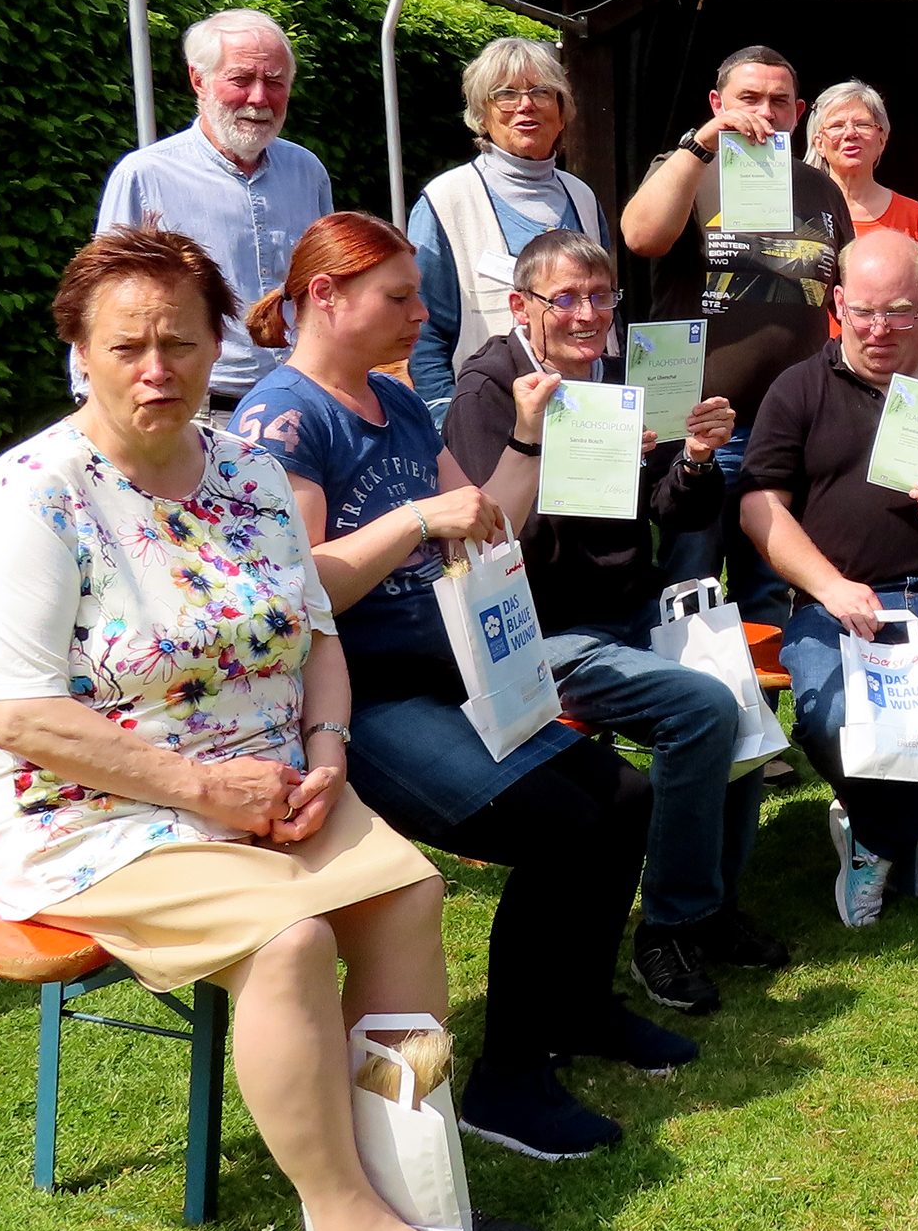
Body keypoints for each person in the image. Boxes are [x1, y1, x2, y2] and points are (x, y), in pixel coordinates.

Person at [0, 227, 520, 1231]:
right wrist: (205, 791)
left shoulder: (248, 471)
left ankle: (417, 1194)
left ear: (217, 346)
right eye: (126, 347)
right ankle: (348, 1228)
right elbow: (15, 715)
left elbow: (315, 635)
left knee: (407, 891)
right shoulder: (34, 496)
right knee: (286, 939)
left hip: (272, 781)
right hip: (79, 810)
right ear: (80, 352)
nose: (155, 368)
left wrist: (330, 752)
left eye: (178, 341)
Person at [233, 212, 693, 1162]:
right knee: (560, 828)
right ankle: (508, 1081)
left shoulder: (393, 402)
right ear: (327, 295)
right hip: (360, 702)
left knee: (623, 796)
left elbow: (493, 529)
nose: (418, 315)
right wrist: (412, 522)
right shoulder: (283, 419)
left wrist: (523, 443)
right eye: (399, 298)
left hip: (451, 673)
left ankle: (578, 1006)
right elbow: (299, 586)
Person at [441, 229, 788, 1017]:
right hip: (538, 631)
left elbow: (672, 510)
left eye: (601, 296)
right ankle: (667, 928)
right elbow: (486, 539)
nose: (588, 313)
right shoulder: (490, 390)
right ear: (522, 306)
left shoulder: (627, 375)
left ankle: (713, 904)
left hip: (631, 608)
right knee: (699, 706)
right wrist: (565, 452)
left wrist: (696, 458)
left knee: (739, 689)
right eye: (566, 298)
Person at [738, 232, 918, 926]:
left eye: (899, 311)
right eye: (864, 311)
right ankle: (897, 826)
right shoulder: (801, 386)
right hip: (839, 596)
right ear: (839, 303)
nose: (878, 329)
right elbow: (760, 506)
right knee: (827, 714)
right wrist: (829, 586)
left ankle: (878, 833)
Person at [620, 46, 851, 633]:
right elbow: (641, 237)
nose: (763, 112)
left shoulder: (818, 188)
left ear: (799, 113)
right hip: (699, 424)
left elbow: (847, 284)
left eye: (779, 101)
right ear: (718, 103)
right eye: (748, 98)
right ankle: (696, 714)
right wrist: (701, 144)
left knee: (770, 591)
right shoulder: (685, 171)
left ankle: (763, 724)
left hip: (787, 426)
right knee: (688, 587)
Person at [93, 10, 331, 421]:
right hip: (199, 413)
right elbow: (102, 302)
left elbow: (328, 286)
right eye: (240, 80)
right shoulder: (146, 176)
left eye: (274, 82)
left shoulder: (306, 171)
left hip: (302, 406)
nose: (259, 98)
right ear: (199, 81)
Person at [408, 38, 611, 425]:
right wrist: (449, 421)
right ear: (482, 114)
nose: (525, 105)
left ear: (562, 110)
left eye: (541, 92)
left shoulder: (582, 196)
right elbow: (424, 329)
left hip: (587, 420)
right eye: (505, 94)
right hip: (489, 421)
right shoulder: (446, 201)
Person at [804, 79, 918, 335]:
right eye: (837, 125)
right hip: (812, 356)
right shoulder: (799, 210)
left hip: (887, 351)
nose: (850, 133)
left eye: (862, 124)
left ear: (882, 139)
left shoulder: (913, 214)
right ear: (819, 143)